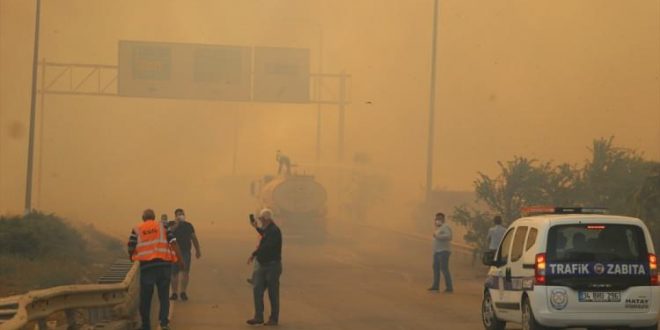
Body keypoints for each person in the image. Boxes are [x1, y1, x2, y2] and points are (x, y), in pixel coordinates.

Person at [128, 209, 184, 330]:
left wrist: (132, 258)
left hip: (147, 268)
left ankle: (146, 325)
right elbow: (173, 243)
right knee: (164, 296)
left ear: (143, 218)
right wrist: (180, 260)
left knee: (146, 298)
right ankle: (164, 323)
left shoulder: (137, 229)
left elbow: (131, 246)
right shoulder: (163, 226)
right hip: (164, 266)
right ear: (153, 217)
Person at [246, 208, 283, 326]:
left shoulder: (275, 231)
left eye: (261, 219)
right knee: (257, 290)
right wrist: (256, 227)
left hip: (272, 266)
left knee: (273, 293)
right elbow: (264, 234)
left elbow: (266, 245)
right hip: (263, 264)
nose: (260, 221)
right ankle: (258, 317)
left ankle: (273, 319)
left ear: (266, 219)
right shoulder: (268, 230)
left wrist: (254, 254)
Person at [169, 208, 202, 301]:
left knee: (185, 272)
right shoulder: (171, 224)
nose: (180, 216)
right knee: (174, 273)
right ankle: (174, 293)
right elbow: (168, 233)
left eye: (182, 214)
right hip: (173, 252)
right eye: (178, 214)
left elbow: (193, 237)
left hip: (185, 251)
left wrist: (198, 250)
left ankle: (183, 292)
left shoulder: (188, 225)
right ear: (175, 216)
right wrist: (177, 225)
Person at [428, 212, 453, 293]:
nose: (437, 220)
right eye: (436, 219)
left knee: (444, 269)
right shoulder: (438, 228)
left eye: (439, 219)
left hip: (444, 251)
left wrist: (438, 237)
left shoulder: (446, 227)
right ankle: (435, 286)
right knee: (436, 268)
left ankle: (449, 288)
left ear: (443, 219)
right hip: (437, 251)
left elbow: (449, 236)